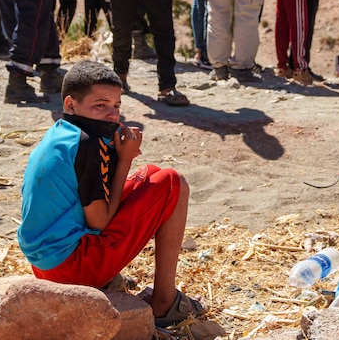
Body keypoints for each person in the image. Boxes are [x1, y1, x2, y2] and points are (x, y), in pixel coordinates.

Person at [17, 60, 206, 327]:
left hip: (45, 265)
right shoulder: (85, 144)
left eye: (116, 106)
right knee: (173, 182)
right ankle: (164, 301)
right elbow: (100, 221)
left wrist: (120, 157)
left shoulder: (62, 133)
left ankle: (110, 281)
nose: (112, 115)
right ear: (71, 105)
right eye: (101, 105)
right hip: (71, 268)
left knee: (152, 174)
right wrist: (125, 160)